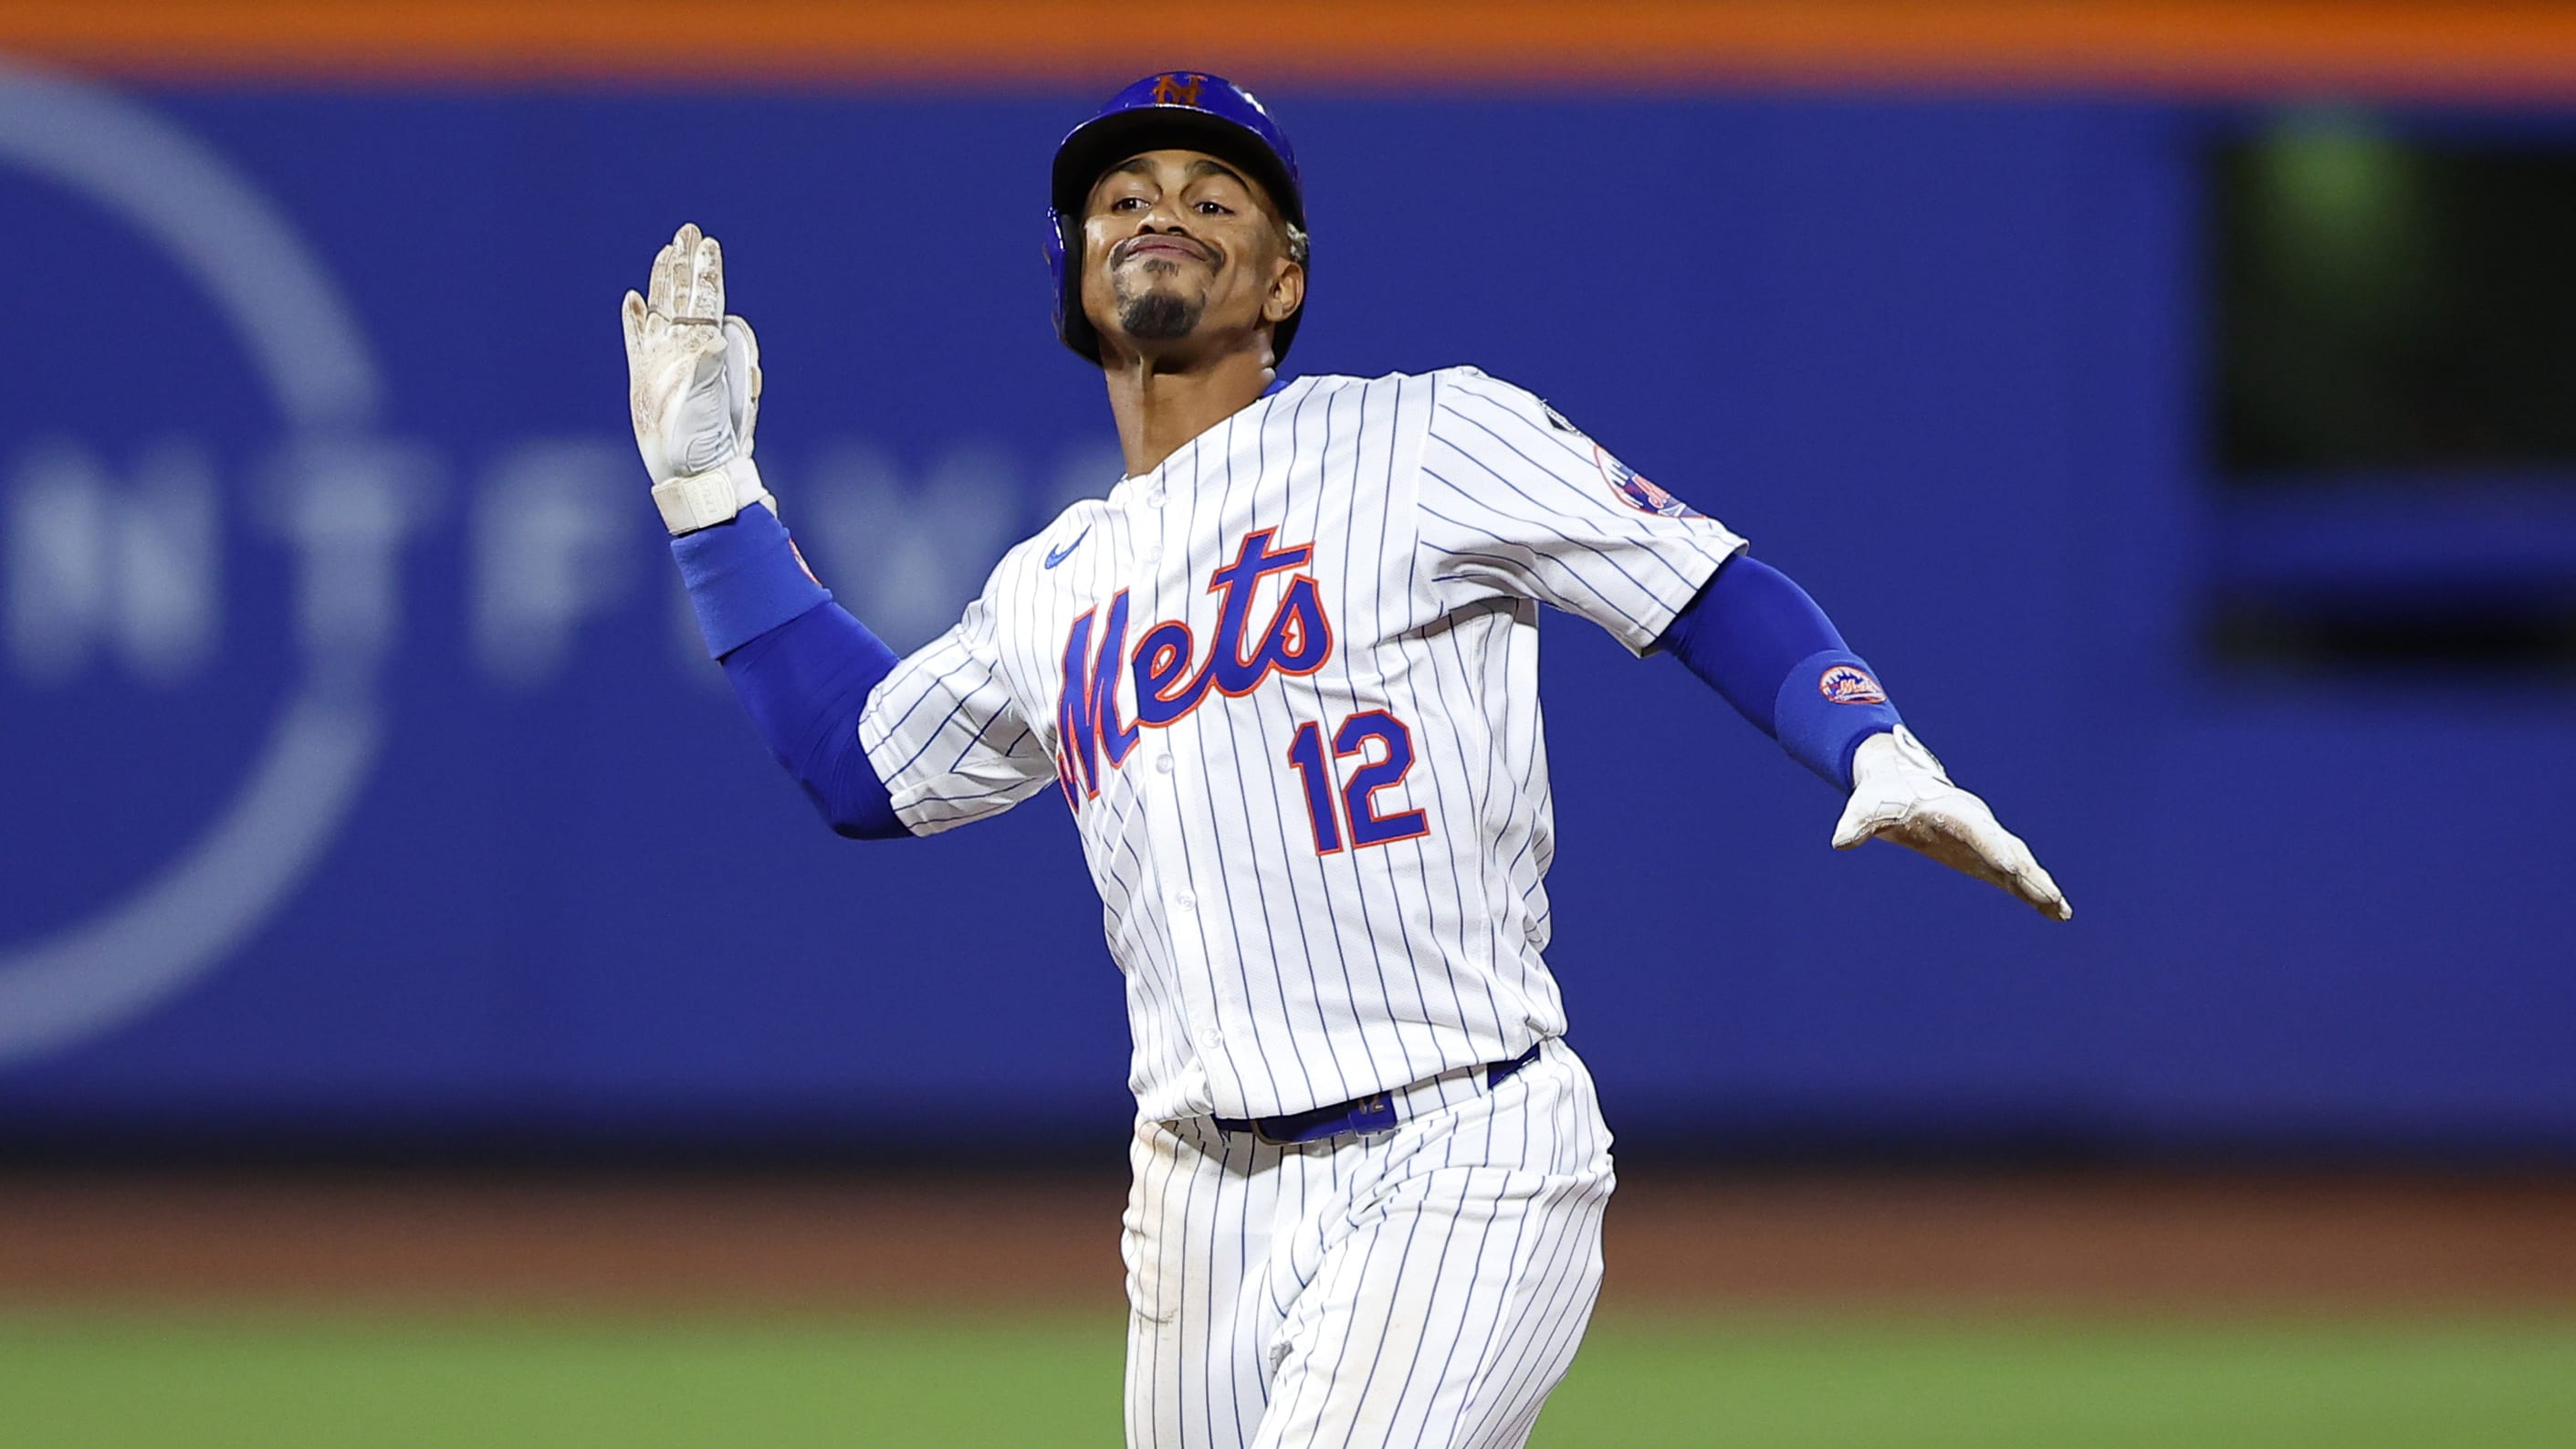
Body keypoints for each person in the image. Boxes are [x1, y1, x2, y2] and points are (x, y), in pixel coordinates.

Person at [620, 70, 2068, 1449]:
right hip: (1193, 1198)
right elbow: (856, 762)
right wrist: (707, 495)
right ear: (1075, 279)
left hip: (1456, 1149)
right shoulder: (1049, 585)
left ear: (1284, 278)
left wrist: (1865, 737)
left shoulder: (1427, 434)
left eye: (1211, 194)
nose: (1158, 210)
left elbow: (1692, 580)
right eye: (1120, 198)